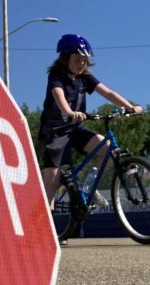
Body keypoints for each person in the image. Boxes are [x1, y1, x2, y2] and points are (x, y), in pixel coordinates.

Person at [38, 34, 142, 243]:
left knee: (107, 148)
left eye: (85, 60)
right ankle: (47, 232)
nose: (81, 64)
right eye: (77, 60)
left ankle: (88, 187)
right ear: (65, 58)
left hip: (75, 128)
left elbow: (107, 92)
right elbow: (58, 95)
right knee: (52, 181)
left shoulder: (85, 77)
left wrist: (129, 107)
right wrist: (68, 111)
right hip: (55, 131)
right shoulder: (57, 75)